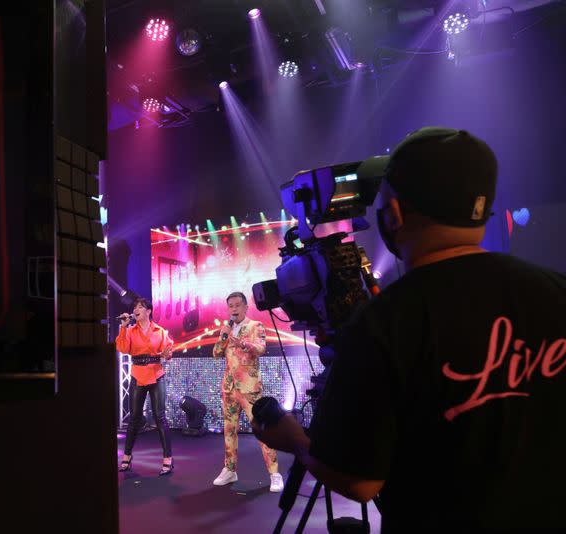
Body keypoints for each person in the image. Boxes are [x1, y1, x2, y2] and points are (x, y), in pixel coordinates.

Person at [252, 127, 566, 532]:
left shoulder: (385, 322)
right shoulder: (557, 292)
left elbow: (360, 482)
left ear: (394, 215)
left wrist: (295, 440)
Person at [212, 292, 284, 492]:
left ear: (245, 307)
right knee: (229, 431)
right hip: (229, 387)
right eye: (230, 306)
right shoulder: (227, 329)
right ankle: (230, 469)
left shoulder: (255, 326)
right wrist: (224, 335)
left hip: (249, 389)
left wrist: (242, 342)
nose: (233, 309)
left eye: (237, 305)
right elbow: (216, 353)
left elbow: (261, 349)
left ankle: (275, 473)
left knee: (262, 430)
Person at [115, 298, 175, 475]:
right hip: (137, 375)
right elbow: (123, 348)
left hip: (156, 375)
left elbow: (168, 352)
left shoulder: (160, 331)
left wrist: (167, 354)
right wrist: (124, 327)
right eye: (135, 307)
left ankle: (168, 459)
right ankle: (127, 456)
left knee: (160, 417)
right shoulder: (130, 330)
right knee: (134, 418)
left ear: (148, 311)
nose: (136, 309)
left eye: (140, 307)